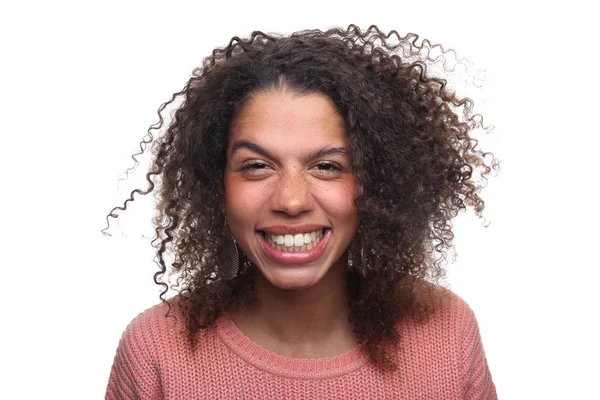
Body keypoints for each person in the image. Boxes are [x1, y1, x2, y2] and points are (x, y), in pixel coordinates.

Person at [104, 24, 498, 399]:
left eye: (327, 166)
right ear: (217, 187)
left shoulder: (446, 334)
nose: (291, 201)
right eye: (257, 166)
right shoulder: (155, 350)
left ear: (376, 185)